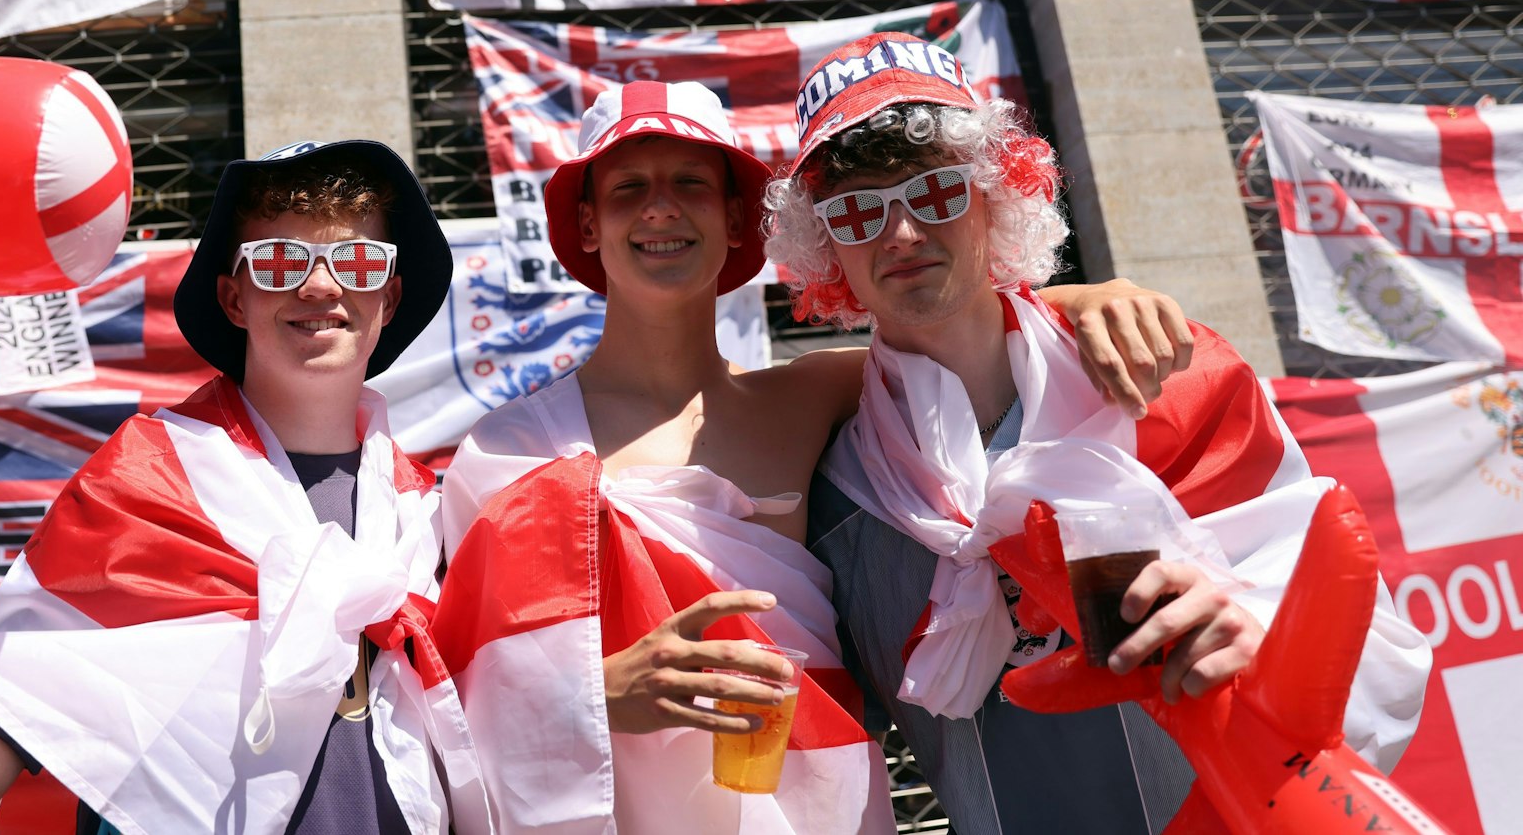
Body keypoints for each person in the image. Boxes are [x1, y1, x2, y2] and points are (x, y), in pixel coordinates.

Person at [433, 80, 1190, 833]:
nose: (660, 207)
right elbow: (445, 692)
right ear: (589, 225)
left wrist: (1089, 298)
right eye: (629, 187)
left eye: (690, 182)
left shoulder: (815, 396)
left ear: (735, 220)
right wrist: (593, 696)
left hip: (809, 809)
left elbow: (960, 325)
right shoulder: (508, 454)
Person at [764, 31, 1433, 833]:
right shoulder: (838, 495)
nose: (901, 234)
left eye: (935, 193)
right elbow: (816, 744)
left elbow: (1366, 639)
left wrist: (1250, 629)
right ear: (826, 244)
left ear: (995, 195)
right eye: (858, 210)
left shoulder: (1165, 382)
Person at [0, 140, 487, 834]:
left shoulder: (431, 519)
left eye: (355, 261)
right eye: (279, 262)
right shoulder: (139, 489)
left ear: (389, 294)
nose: (320, 286)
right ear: (233, 296)